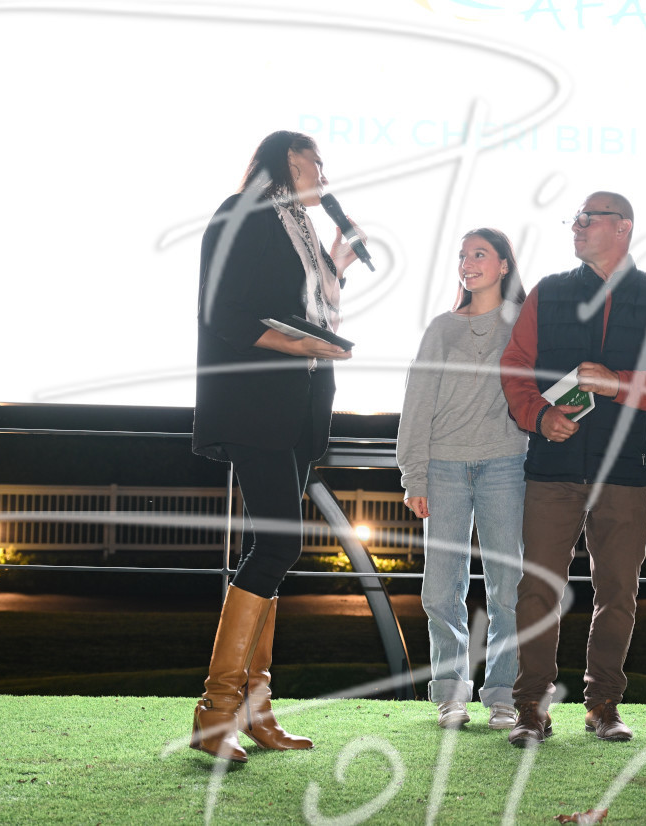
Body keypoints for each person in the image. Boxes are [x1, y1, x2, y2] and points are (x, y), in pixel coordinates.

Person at [499, 191, 646, 746]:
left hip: (627, 470)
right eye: (576, 219)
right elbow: (515, 367)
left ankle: (604, 704)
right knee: (537, 590)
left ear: (623, 227)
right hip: (552, 468)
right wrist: (539, 417)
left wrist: (617, 383)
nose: (578, 226)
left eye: (590, 219)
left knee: (618, 593)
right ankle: (531, 707)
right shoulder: (548, 291)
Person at [191, 130, 367, 762]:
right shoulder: (243, 212)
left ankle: (255, 711)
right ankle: (215, 712)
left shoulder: (301, 227)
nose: (324, 174)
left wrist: (337, 267)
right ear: (289, 159)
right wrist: (297, 344)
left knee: (270, 548)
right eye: (317, 162)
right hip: (255, 404)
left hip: (296, 407)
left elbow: (313, 312)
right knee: (279, 545)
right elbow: (224, 312)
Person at [397, 228, 528, 731]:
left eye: (479, 254)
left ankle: (503, 695)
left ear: (503, 265)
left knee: (507, 589)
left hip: (505, 465)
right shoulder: (441, 329)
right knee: (440, 589)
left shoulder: (524, 325)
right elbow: (417, 403)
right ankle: (451, 694)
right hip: (445, 468)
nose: (467, 263)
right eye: (462, 256)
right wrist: (415, 475)